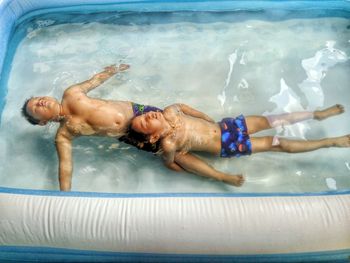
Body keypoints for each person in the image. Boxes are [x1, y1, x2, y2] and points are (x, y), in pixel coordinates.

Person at [21, 64, 232, 191]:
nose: (40, 102)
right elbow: (65, 166)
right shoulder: (64, 134)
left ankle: (214, 132)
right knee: (173, 153)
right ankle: (218, 176)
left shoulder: (71, 93)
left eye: (38, 98)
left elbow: (95, 81)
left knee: (180, 128)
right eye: (36, 108)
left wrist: (116, 69)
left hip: (140, 114)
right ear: (42, 122)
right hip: (130, 134)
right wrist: (65, 194)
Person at [131, 103, 349, 186]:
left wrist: (206, 117)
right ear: (152, 138)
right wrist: (187, 173)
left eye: (145, 115)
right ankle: (329, 142)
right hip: (227, 145)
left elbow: (184, 107)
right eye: (144, 122)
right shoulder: (169, 143)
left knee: (274, 119)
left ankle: (317, 114)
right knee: (277, 143)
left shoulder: (169, 111)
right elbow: (170, 163)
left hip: (228, 126)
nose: (147, 115)